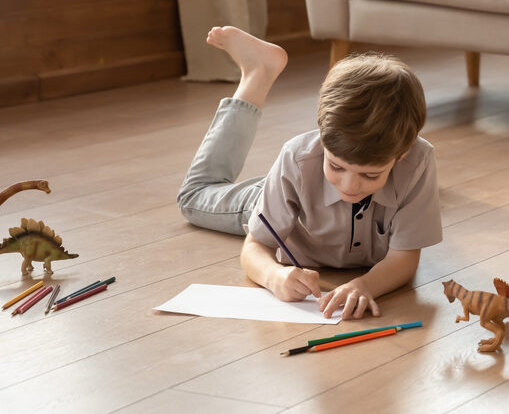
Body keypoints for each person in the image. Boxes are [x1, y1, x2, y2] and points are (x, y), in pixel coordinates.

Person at [176, 26, 441, 319]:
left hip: (311, 191)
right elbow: (255, 247)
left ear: (401, 155)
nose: (349, 186)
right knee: (194, 196)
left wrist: (364, 285)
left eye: (370, 175)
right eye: (336, 166)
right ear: (322, 136)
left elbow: (405, 258)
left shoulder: (418, 162)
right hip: (279, 197)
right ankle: (257, 73)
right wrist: (274, 276)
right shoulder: (297, 159)